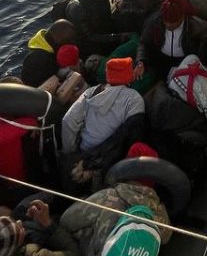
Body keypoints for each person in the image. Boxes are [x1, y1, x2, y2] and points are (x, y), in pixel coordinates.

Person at [61, 57, 147, 187]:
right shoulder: (135, 99)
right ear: (128, 75)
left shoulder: (91, 92)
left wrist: (72, 154)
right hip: (108, 162)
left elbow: (68, 121)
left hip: (84, 153)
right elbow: (130, 137)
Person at [135, 0, 207, 82]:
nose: (169, 25)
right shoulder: (154, 21)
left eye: (174, 22)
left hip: (184, 64)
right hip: (159, 60)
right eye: (166, 21)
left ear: (183, 16)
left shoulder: (198, 27)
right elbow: (144, 43)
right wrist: (141, 61)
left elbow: (206, 51)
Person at [65, 0, 131, 58]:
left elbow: (108, 19)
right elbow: (89, 36)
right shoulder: (77, 8)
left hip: (104, 33)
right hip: (88, 43)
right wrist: (117, 37)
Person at [20, 19, 78, 87]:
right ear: (57, 38)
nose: (73, 43)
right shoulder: (37, 61)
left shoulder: (50, 44)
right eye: (69, 40)